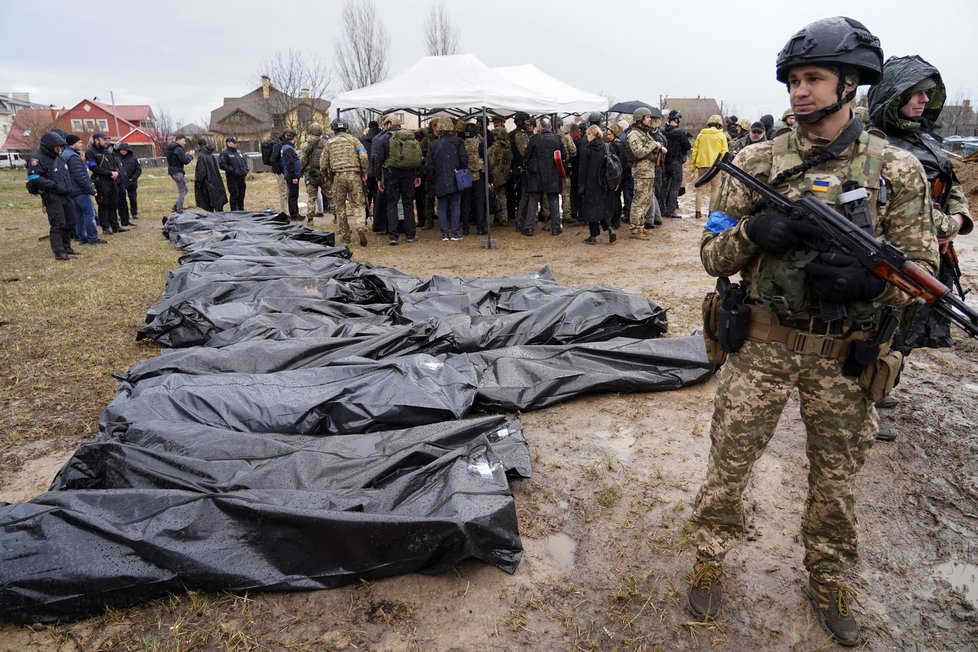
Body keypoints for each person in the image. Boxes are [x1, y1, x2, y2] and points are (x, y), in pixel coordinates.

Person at [686, 17, 939, 648]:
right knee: (729, 463)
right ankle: (710, 558)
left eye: (815, 79)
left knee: (835, 477)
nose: (800, 92)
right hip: (764, 342)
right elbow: (712, 255)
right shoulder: (754, 161)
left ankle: (827, 576)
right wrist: (751, 235)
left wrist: (867, 283)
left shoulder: (897, 170)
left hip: (843, 352)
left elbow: (922, 274)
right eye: (794, 80)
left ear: (849, 85)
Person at [868, 54, 973, 352]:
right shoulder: (873, 147)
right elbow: (894, 202)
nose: (925, 99)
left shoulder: (928, 140)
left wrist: (959, 218)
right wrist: (943, 226)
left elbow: (952, 186)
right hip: (894, 253)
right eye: (916, 93)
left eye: (927, 92)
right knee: (881, 327)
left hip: (933, 253)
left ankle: (889, 376)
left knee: (912, 327)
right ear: (893, 95)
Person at [26, 131, 77, 260]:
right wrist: (53, 185)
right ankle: (59, 252)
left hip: (66, 194)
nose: (59, 149)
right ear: (49, 145)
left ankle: (67, 247)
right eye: (57, 146)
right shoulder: (36, 157)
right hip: (52, 195)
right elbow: (33, 176)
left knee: (70, 222)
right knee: (58, 224)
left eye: (60, 146)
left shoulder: (58, 157)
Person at [320, 117, 369, 247]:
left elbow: (323, 164)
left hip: (338, 177)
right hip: (354, 175)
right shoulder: (354, 140)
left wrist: (325, 176)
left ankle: (346, 235)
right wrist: (364, 172)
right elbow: (363, 156)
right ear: (346, 128)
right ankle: (360, 227)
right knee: (358, 204)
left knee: (340, 206)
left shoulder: (329, 143)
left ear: (334, 129)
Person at [376, 114, 421, 245]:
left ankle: (393, 236)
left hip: (391, 175)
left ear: (389, 124)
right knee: (408, 204)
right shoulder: (409, 138)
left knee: (392, 204)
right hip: (408, 174)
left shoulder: (383, 139)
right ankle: (411, 235)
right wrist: (417, 175)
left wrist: (379, 178)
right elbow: (415, 158)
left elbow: (378, 160)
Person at [625, 107, 667, 239]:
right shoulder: (634, 134)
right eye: (647, 117)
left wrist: (658, 147)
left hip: (649, 171)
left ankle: (641, 226)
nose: (650, 120)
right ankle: (635, 229)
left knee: (647, 200)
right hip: (641, 172)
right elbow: (638, 153)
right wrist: (654, 145)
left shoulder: (644, 133)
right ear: (640, 119)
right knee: (639, 200)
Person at [521, 117, 567, 236]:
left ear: (540, 127)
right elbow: (564, 155)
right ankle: (556, 227)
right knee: (553, 201)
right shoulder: (557, 138)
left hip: (536, 174)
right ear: (550, 127)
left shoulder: (535, 138)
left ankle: (529, 227)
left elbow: (527, 155)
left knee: (533, 201)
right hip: (552, 173)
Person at [425, 117, 468, 241]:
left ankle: (444, 234)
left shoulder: (433, 144)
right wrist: (461, 170)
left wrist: (433, 177)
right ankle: (454, 233)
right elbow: (464, 159)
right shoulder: (458, 141)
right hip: (456, 177)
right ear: (451, 128)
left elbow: (429, 164)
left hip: (439, 178)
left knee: (442, 206)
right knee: (456, 204)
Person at [577, 125, 618, 245]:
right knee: (603, 208)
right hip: (604, 183)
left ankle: (593, 236)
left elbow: (583, 170)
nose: (587, 136)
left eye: (588, 134)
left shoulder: (587, 150)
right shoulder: (607, 147)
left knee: (591, 210)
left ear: (592, 135)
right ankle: (610, 229)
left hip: (591, 184)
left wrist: (581, 186)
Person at [61, 134, 104, 245]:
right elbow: (80, 176)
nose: (81, 144)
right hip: (80, 190)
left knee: (78, 215)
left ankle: (82, 237)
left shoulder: (64, 155)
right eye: (79, 142)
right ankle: (93, 238)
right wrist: (91, 189)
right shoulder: (73, 157)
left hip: (71, 191)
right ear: (72, 144)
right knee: (89, 215)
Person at [689, 115, 728, 219]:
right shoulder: (721, 136)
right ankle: (711, 213)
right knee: (715, 189)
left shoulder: (701, 135)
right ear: (719, 124)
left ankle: (697, 212)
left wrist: (692, 166)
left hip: (702, 165)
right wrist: (725, 168)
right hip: (716, 166)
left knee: (700, 189)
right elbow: (725, 153)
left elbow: (695, 151)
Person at [86, 132, 125, 234]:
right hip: (100, 182)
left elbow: (113, 164)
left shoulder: (106, 152)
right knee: (103, 205)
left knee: (114, 203)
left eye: (106, 140)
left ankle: (115, 226)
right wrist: (109, 173)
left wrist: (115, 173)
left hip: (112, 181)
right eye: (103, 140)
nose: (106, 142)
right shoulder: (90, 152)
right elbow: (93, 167)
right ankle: (105, 227)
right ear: (96, 140)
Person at [662, 110, 691, 218]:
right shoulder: (679, 132)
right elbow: (687, 146)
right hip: (675, 163)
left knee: (664, 186)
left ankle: (662, 209)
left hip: (665, 162)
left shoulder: (662, 131)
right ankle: (670, 210)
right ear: (677, 120)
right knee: (675, 186)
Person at [461, 122, 488, 236]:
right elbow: (486, 160)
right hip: (478, 175)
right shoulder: (480, 144)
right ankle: (480, 227)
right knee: (479, 203)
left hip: (465, 176)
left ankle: (466, 228)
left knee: (465, 202)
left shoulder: (461, 144)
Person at [300, 123, 328, 221]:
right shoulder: (326, 143)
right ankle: (336, 217)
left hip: (311, 174)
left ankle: (310, 219)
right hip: (323, 173)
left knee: (311, 197)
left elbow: (302, 160)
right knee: (331, 196)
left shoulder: (305, 145)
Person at [487, 125, 512, 226]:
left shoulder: (494, 148)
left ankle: (490, 221)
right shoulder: (508, 146)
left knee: (491, 197)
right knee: (502, 197)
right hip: (503, 175)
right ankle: (503, 219)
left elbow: (490, 162)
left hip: (494, 174)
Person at [193, 137, 227, 212]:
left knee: (208, 205)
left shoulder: (202, 156)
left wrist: (198, 182)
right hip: (215, 182)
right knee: (216, 203)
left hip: (207, 184)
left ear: (200, 145)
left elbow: (201, 173)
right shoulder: (211, 155)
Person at [218, 136, 248, 211]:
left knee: (241, 195)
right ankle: (234, 211)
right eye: (233, 142)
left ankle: (241, 210)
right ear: (228, 143)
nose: (235, 144)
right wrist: (232, 170)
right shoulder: (224, 153)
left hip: (241, 177)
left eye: (235, 142)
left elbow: (243, 162)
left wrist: (246, 169)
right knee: (234, 195)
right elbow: (222, 164)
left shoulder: (238, 152)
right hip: (232, 178)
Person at [166, 134, 194, 214]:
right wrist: (190, 156)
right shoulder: (178, 149)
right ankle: (179, 209)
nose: (184, 142)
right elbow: (185, 161)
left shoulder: (171, 148)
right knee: (182, 190)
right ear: (178, 140)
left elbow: (178, 158)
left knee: (185, 189)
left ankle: (176, 205)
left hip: (173, 172)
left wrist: (186, 155)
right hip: (178, 172)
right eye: (183, 140)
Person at [279, 130, 302, 220]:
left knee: (295, 194)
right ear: (294, 138)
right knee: (293, 195)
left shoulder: (287, 147)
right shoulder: (288, 148)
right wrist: (294, 177)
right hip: (292, 175)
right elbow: (290, 164)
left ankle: (296, 213)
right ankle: (294, 215)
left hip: (292, 174)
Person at [115, 142, 141, 221]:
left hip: (131, 181)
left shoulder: (133, 157)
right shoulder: (116, 157)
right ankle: (122, 214)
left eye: (124, 150)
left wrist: (133, 178)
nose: (122, 151)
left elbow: (138, 169)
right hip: (120, 182)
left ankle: (134, 213)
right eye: (121, 150)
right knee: (121, 199)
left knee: (133, 198)